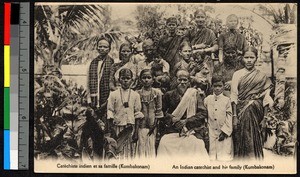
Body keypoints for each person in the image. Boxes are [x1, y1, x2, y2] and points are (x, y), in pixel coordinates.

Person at [231, 46, 274, 159]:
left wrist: (265, 119)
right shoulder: (237, 74)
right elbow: (234, 95)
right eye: (246, 57)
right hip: (241, 110)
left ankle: (254, 161)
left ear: (256, 58)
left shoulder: (262, 76)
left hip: (256, 110)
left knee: (254, 136)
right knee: (242, 137)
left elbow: (266, 98)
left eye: (252, 57)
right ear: (242, 58)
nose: (249, 60)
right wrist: (235, 116)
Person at [107, 68, 144, 159]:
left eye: (128, 78)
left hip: (130, 128)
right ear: (119, 79)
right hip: (117, 127)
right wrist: (111, 129)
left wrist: (135, 132)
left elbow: (137, 113)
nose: (125, 81)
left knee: (129, 152)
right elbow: (110, 111)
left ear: (132, 80)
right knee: (117, 150)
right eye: (123, 78)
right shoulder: (113, 94)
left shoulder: (135, 95)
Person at [204, 75, 233, 161]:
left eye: (220, 86)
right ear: (212, 86)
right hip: (211, 130)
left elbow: (229, 116)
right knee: (212, 156)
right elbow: (204, 113)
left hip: (223, 130)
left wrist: (225, 131)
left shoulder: (227, 100)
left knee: (224, 156)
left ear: (223, 86)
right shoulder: (207, 99)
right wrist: (206, 125)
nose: (217, 88)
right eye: (215, 86)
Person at [136, 69, 164, 158]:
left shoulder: (157, 93)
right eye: (144, 78)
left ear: (153, 79)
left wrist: (155, 125)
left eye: (149, 77)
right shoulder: (137, 93)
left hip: (153, 125)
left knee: (151, 145)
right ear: (140, 79)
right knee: (141, 145)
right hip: (141, 124)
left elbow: (159, 111)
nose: (146, 80)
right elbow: (136, 111)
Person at [86, 37, 114, 122]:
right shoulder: (93, 62)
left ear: (109, 49)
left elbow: (112, 82)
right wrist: (89, 99)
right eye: (100, 46)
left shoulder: (112, 62)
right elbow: (88, 82)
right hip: (94, 98)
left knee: (105, 123)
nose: (102, 48)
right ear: (97, 47)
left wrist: (108, 101)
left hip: (106, 99)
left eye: (105, 47)